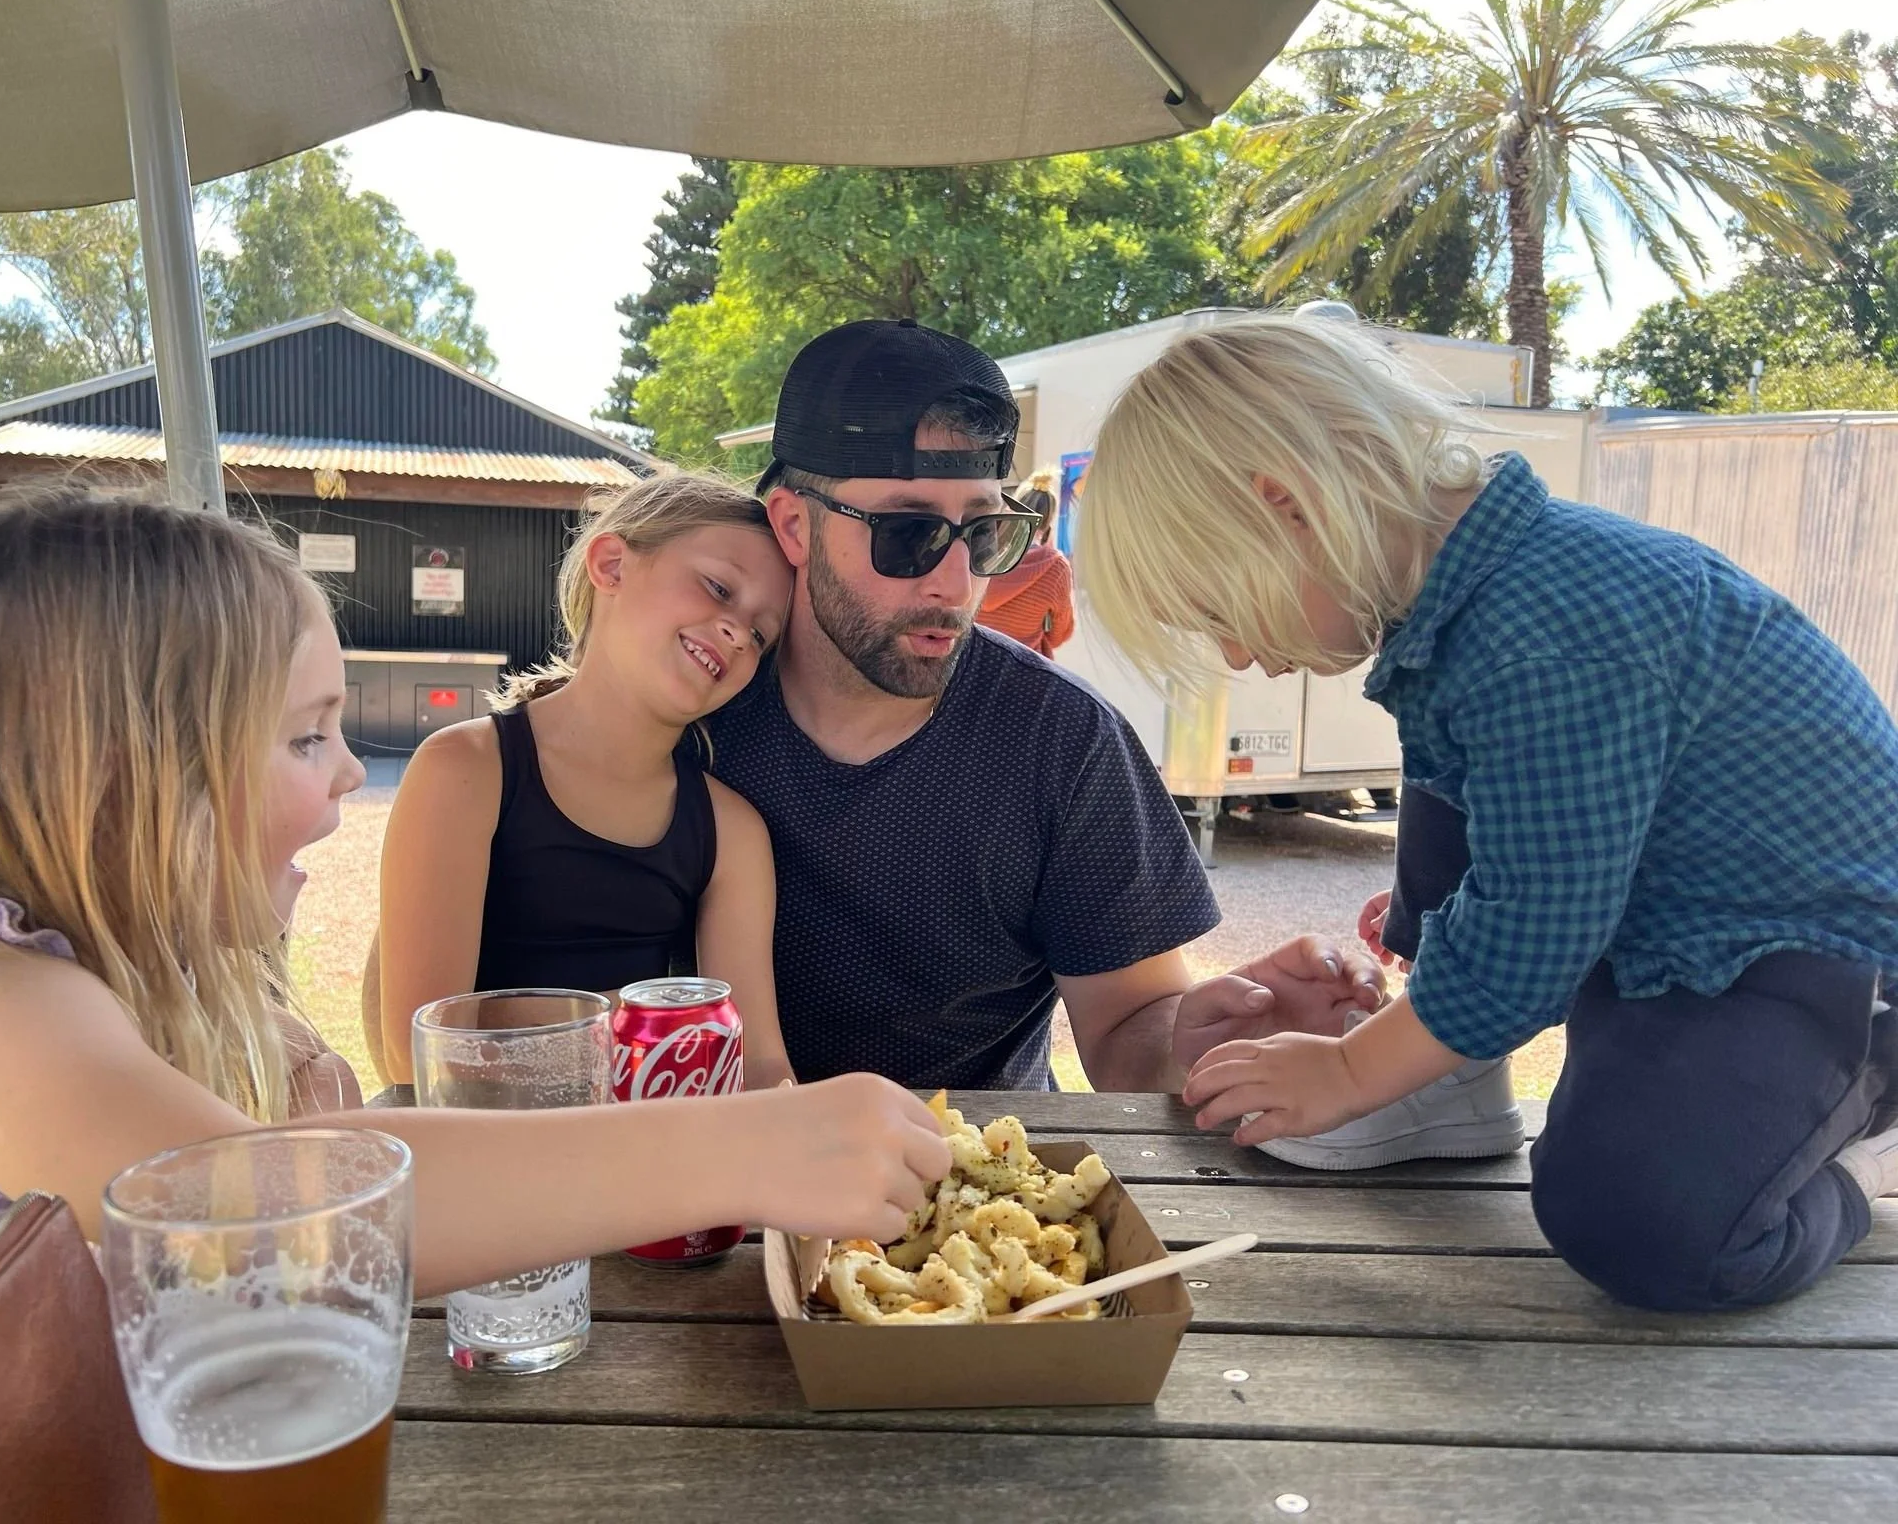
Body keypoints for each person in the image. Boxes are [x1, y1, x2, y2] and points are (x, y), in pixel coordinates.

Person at [0, 486, 948, 1287]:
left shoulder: (87, 987)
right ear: (116, 764)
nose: (343, 771)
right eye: (300, 738)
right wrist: (750, 1146)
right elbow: (267, 1212)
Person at [1076, 310, 1898, 1312]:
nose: (1239, 659)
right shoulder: (1477, 603)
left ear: (1283, 505)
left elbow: (1536, 921)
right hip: (1663, 934)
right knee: (1447, 778)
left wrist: (1347, 1069)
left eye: (1216, 612)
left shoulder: (1552, 621)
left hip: (1807, 960)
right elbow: (1512, 833)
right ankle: (1447, 1076)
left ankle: (1860, 1154)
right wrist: (1428, 964)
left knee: (1636, 1220)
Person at [708, 317, 1388, 1095]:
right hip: (724, 1177)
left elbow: (1128, 1032)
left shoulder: (1060, 738)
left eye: (987, 532)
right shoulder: (696, 712)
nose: (956, 582)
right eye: (907, 534)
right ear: (795, 525)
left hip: (985, 1191)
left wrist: (1205, 1041)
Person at [373, 472, 795, 1090]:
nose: (737, 630)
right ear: (613, 563)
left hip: (652, 1163)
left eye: (762, 633)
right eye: (717, 587)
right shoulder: (466, 770)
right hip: (488, 1160)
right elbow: (417, 1058)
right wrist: (646, 1013)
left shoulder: (731, 830)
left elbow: (758, 1063)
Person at [976, 468, 1075, 657]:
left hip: (971, 667)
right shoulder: (1056, 568)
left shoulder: (981, 550)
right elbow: (1059, 635)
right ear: (1049, 521)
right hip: (1024, 674)